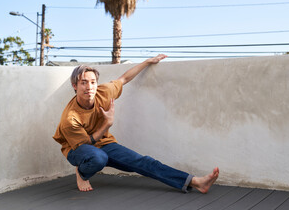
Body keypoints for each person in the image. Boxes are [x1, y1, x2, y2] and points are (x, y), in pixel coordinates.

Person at [53, 54, 219, 193]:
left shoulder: (103, 93)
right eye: (83, 82)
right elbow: (87, 143)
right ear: (74, 86)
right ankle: (82, 172)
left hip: (104, 144)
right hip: (77, 149)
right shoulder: (70, 118)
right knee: (97, 157)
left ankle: (196, 182)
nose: (89, 87)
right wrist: (107, 123)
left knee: (144, 162)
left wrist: (147, 62)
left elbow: (124, 78)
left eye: (92, 82)